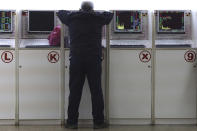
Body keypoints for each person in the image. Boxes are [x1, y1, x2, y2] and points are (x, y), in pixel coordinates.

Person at [57, 1, 113, 129]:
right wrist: (94, 13)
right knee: (96, 91)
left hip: (77, 59)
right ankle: (98, 122)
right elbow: (110, 15)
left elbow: (60, 12)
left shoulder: (71, 17)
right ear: (92, 9)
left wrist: (76, 12)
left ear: (80, 8)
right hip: (94, 59)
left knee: (75, 91)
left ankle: (71, 122)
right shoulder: (98, 18)